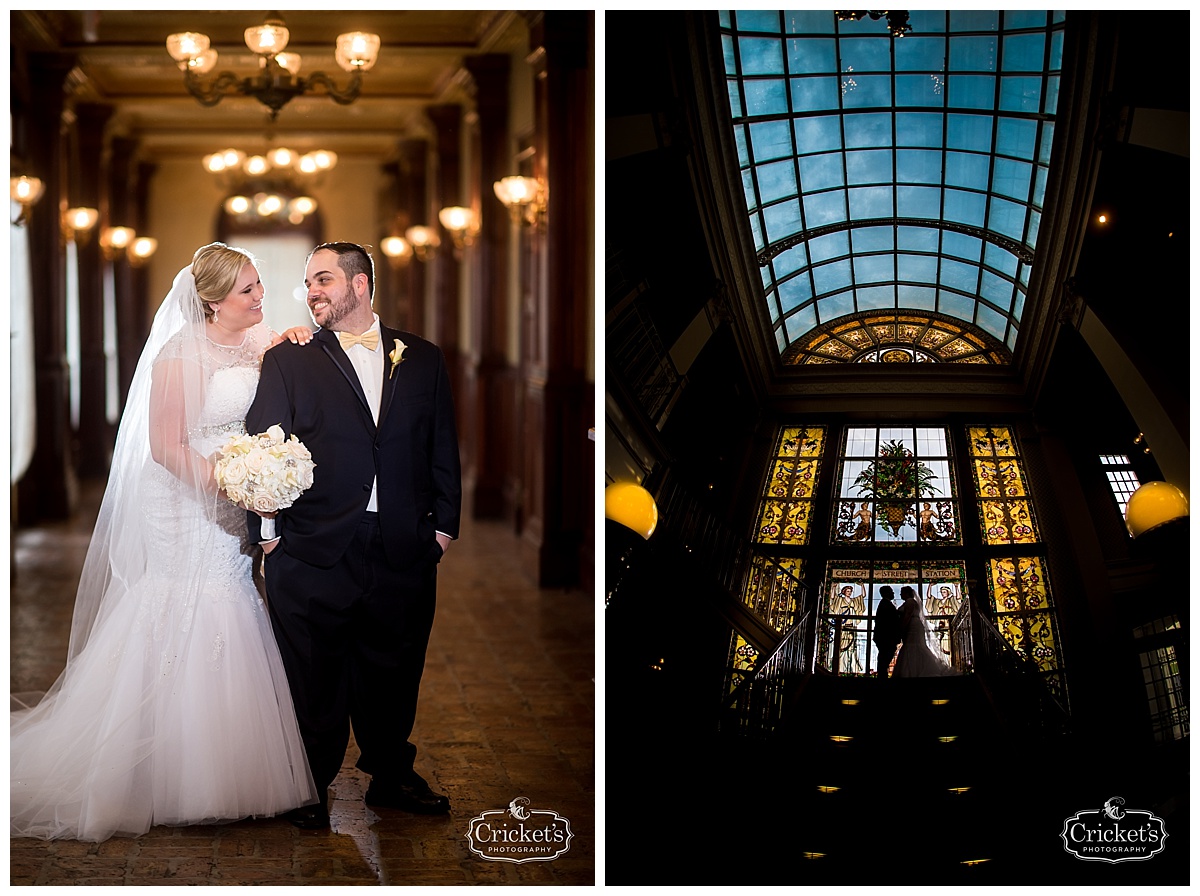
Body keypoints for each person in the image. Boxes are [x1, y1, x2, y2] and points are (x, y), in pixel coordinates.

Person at [11, 243, 318, 841]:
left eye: (259, 285)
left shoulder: (260, 341)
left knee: (232, 596)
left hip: (237, 487)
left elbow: (279, 368)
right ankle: (157, 770)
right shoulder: (179, 356)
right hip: (184, 496)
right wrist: (233, 485)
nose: (262, 298)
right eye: (248, 291)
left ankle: (227, 764)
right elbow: (165, 446)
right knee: (188, 598)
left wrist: (299, 338)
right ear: (211, 301)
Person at [245, 241, 462, 829]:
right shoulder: (290, 360)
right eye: (309, 282)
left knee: (395, 666)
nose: (312, 291)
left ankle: (391, 774)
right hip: (313, 545)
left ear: (360, 285)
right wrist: (269, 535)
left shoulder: (422, 357)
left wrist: (442, 530)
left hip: (401, 545)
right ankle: (308, 785)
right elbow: (263, 446)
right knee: (312, 672)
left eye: (323, 280)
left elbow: (441, 444)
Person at [893, 585, 955, 678]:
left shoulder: (910, 602)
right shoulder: (910, 602)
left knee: (913, 646)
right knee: (914, 646)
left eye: (902, 592)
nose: (900, 594)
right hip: (914, 625)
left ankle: (913, 671)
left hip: (912, 626)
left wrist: (902, 628)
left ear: (906, 593)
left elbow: (907, 616)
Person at [871, 585, 902, 679]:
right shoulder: (886, 604)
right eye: (891, 591)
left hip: (884, 637)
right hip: (886, 637)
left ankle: (882, 676)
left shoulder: (884, 603)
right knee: (884, 658)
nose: (893, 593)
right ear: (886, 593)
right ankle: (882, 677)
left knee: (884, 658)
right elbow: (890, 622)